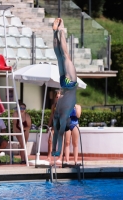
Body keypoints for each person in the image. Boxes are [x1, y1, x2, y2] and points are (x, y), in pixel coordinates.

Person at [52, 18, 78, 156]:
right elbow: (57, 133)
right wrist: (54, 150)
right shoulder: (59, 115)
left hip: (71, 84)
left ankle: (60, 30)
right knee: (60, 56)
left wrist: (56, 151)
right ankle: (56, 31)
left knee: (64, 55)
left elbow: (60, 133)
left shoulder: (64, 116)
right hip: (64, 84)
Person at [47, 90, 62, 162]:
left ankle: (60, 157)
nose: (58, 98)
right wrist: (48, 126)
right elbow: (51, 116)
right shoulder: (54, 105)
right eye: (57, 97)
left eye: (59, 97)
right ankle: (49, 155)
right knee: (50, 140)